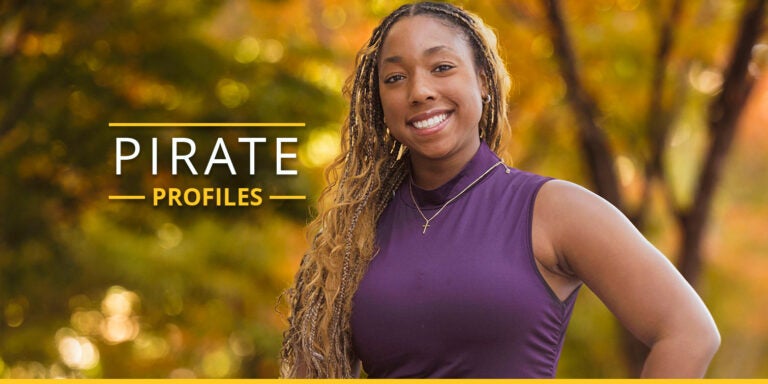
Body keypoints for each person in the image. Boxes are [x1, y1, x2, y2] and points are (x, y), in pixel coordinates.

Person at [280, 1, 720, 378]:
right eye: (395, 78)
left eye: (442, 67)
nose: (420, 91)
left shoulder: (553, 210)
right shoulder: (350, 234)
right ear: (379, 102)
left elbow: (688, 332)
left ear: (484, 83)